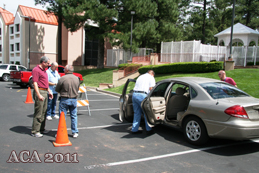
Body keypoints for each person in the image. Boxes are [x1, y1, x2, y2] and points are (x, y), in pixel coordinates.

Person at [55, 65, 80, 138]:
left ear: (67, 70)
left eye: (65, 69)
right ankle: (75, 132)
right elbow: (77, 88)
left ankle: (61, 131)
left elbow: (57, 89)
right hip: (74, 99)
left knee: (62, 116)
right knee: (74, 116)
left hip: (65, 99)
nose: (64, 70)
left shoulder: (62, 78)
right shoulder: (77, 78)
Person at [31, 56, 53, 138]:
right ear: (43, 62)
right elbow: (35, 83)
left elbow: (45, 82)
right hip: (40, 91)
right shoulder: (36, 70)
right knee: (39, 112)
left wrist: (49, 91)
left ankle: (41, 129)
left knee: (44, 111)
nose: (49, 64)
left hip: (45, 91)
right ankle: (35, 131)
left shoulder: (44, 70)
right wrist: (38, 94)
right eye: (48, 63)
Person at [131, 70, 156, 134]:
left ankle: (134, 129)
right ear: (152, 74)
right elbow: (151, 88)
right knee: (146, 113)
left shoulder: (140, 76)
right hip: (142, 95)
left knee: (137, 113)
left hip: (134, 94)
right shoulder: (151, 77)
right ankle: (148, 129)